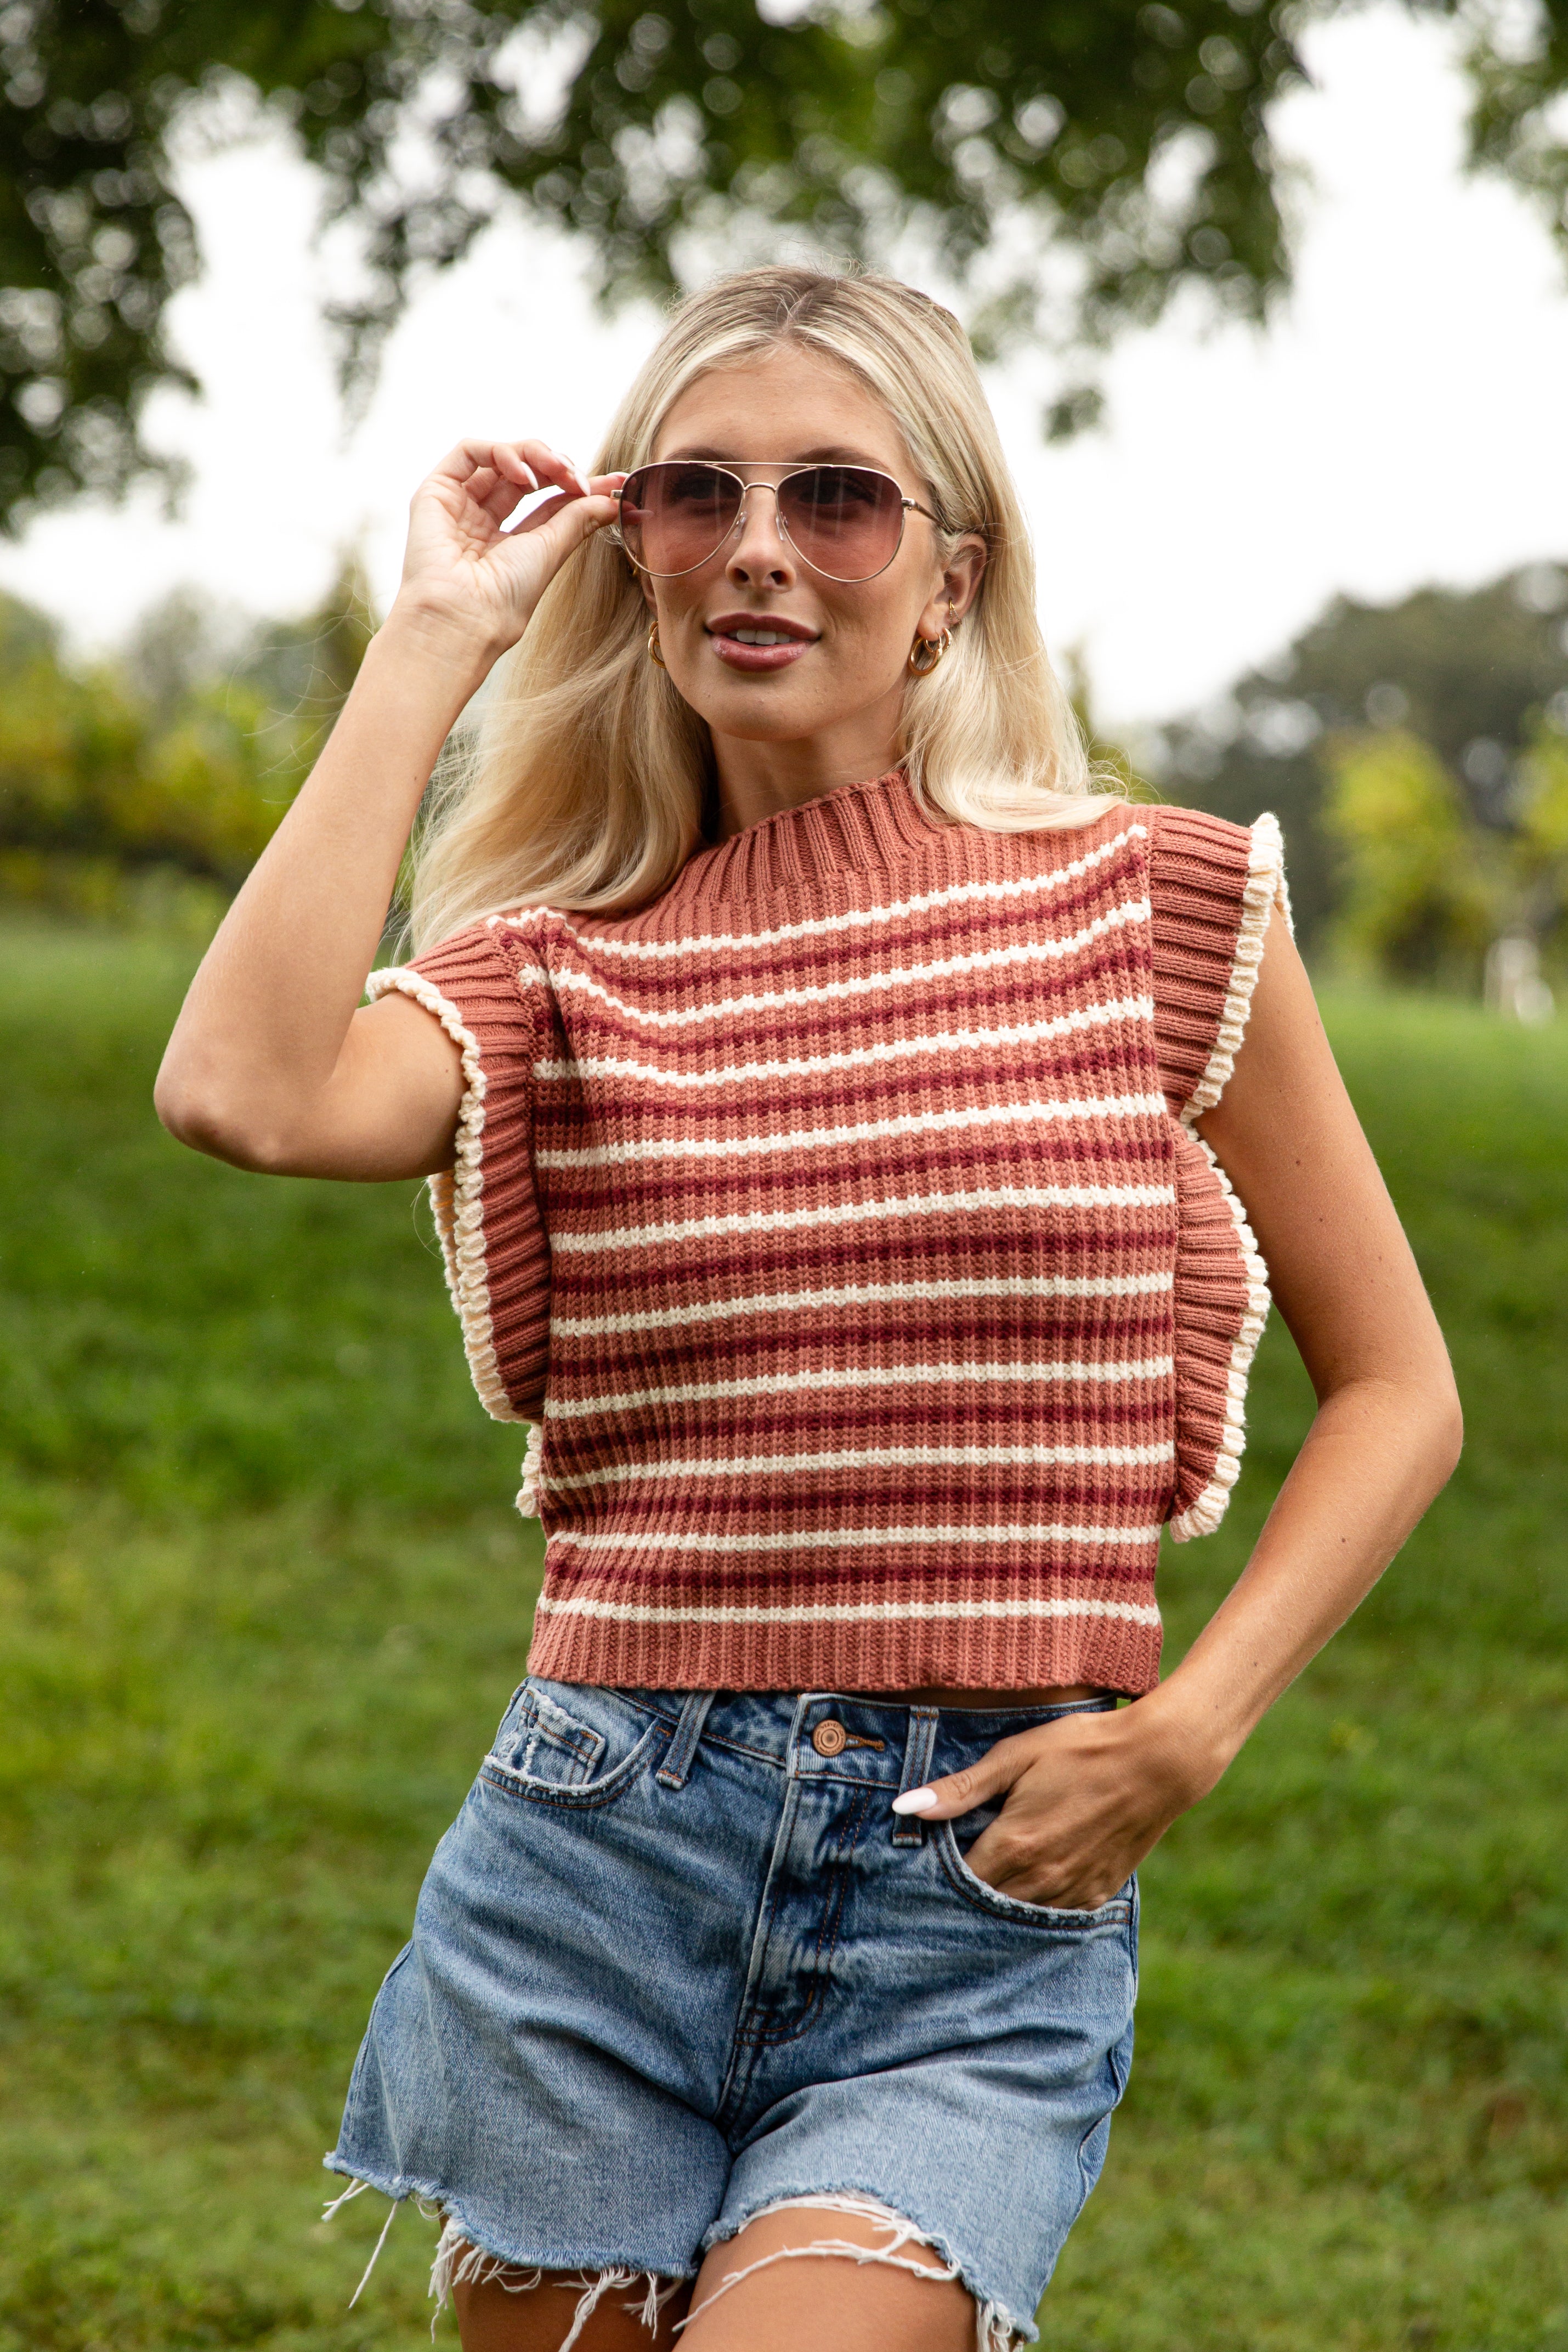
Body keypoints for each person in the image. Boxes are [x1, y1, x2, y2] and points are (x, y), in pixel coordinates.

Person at [154, 265, 1462, 2352]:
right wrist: (433, 635)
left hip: (971, 1907)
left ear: (948, 578)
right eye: (696, 493)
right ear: (638, 551)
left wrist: (1187, 1731)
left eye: (836, 498)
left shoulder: (1161, 902)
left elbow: (1397, 1385)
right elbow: (238, 1089)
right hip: (595, 1881)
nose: (760, 547)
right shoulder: (559, 980)